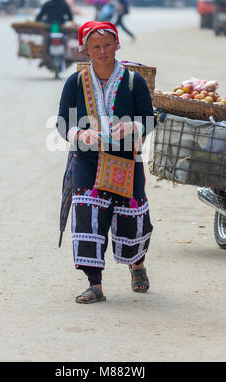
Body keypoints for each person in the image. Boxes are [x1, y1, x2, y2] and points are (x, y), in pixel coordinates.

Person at [57, 20, 156, 304]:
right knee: (88, 216)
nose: (103, 51)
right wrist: (80, 133)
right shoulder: (75, 83)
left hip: (127, 160)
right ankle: (95, 284)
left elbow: (151, 118)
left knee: (131, 216)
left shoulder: (133, 82)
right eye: (96, 46)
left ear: (117, 45)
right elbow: (62, 122)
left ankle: (137, 265)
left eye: (107, 45)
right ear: (85, 50)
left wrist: (132, 128)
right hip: (87, 161)